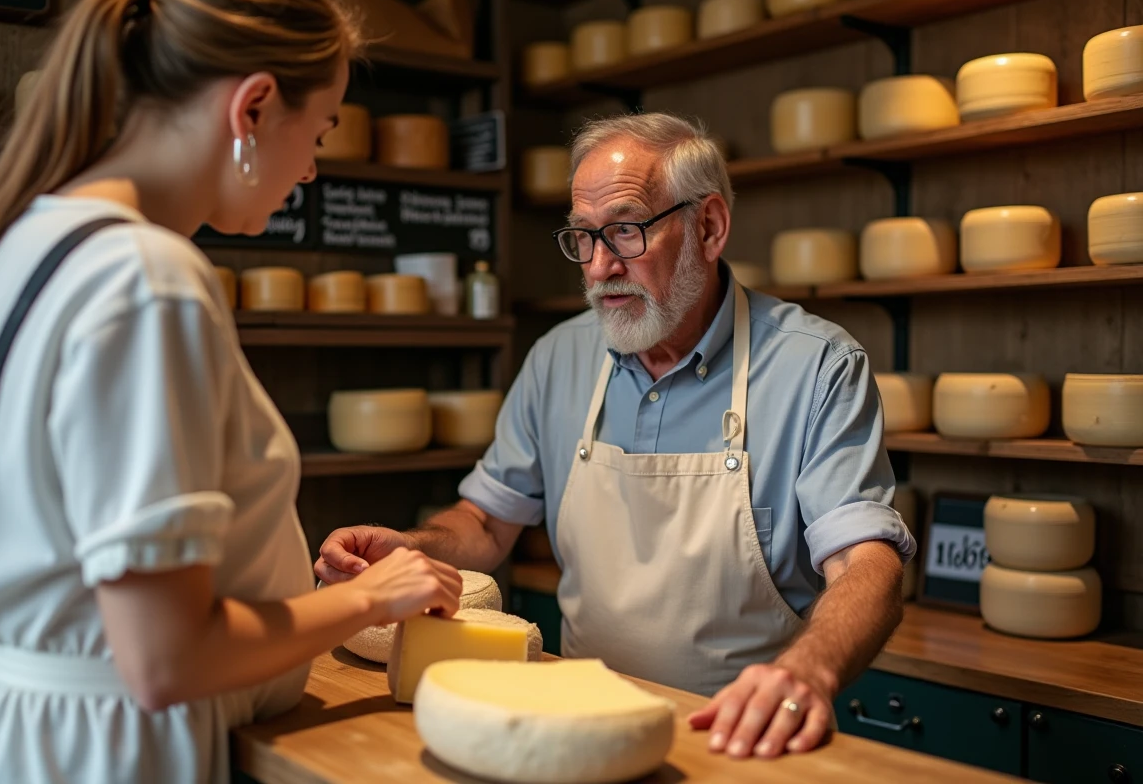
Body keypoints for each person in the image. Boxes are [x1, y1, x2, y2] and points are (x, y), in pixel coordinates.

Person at [0, 0, 463, 781]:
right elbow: (164, 657)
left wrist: (280, 582)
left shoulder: (20, 244)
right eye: (318, 130)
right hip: (105, 753)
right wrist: (372, 598)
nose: (314, 170)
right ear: (252, 108)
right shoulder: (145, 276)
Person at [317, 112, 917, 760]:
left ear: (709, 227)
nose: (599, 267)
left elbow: (867, 563)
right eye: (583, 237)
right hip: (581, 728)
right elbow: (487, 524)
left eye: (626, 232)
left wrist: (809, 672)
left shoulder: (816, 366)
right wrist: (408, 547)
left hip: (742, 735)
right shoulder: (558, 359)